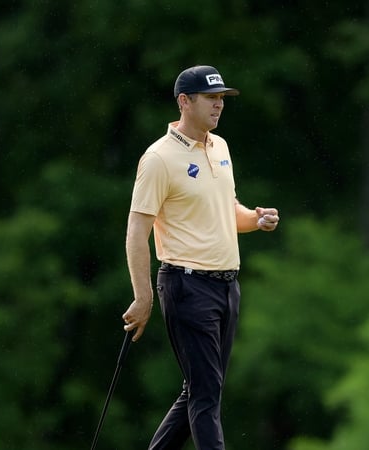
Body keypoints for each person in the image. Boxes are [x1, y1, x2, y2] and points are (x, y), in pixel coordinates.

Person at [121, 65, 280, 450]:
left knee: (201, 391)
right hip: (186, 284)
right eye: (211, 98)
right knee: (206, 395)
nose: (219, 105)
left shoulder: (219, 147)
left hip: (227, 286)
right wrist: (143, 298)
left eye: (222, 98)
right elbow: (136, 232)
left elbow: (228, 211)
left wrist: (255, 220)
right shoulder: (158, 159)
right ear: (184, 102)